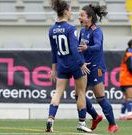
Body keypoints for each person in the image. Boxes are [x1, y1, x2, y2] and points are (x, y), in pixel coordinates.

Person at [45, 0, 91, 133]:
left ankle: (50, 119)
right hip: (75, 64)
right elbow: (74, 48)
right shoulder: (71, 28)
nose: (71, 12)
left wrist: (53, 69)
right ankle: (82, 123)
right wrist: (81, 63)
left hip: (62, 65)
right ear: (65, 11)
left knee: (58, 92)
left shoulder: (52, 29)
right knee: (81, 92)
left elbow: (54, 51)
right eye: (70, 10)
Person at [78, 4, 118, 133]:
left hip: (96, 67)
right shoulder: (82, 30)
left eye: (82, 15)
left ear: (89, 18)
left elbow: (98, 46)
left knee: (100, 97)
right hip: (85, 67)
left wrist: (87, 48)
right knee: (79, 95)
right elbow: (80, 48)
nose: (80, 17)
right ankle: (95, 117)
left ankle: (113, 124)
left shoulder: (97, 31)